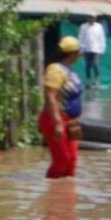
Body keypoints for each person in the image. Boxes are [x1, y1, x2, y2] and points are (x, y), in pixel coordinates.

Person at [40, 37, 84, 179]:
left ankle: (65, 196)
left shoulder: (70, 70)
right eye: (78, 51)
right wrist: (58, 123)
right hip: (56, 119)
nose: (80, 54)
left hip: (71, 122)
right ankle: (52, 192)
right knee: (62, 160)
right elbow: (50, 96)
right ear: (73, 53)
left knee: (71, 161)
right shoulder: (55, 70)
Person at [78, 13, 106, 89]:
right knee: (87, 67)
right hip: (86, 49)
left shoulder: (99, 27)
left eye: (93, 17)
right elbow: (81, 38)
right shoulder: (83, 26)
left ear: (95, 18)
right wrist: (81, 49)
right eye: (90, 17)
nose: (91, 19)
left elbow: (102, 38)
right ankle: (88, 83)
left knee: (96, 65)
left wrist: (102, 50)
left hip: (96, 49)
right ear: (88, 18)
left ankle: (97, 83)